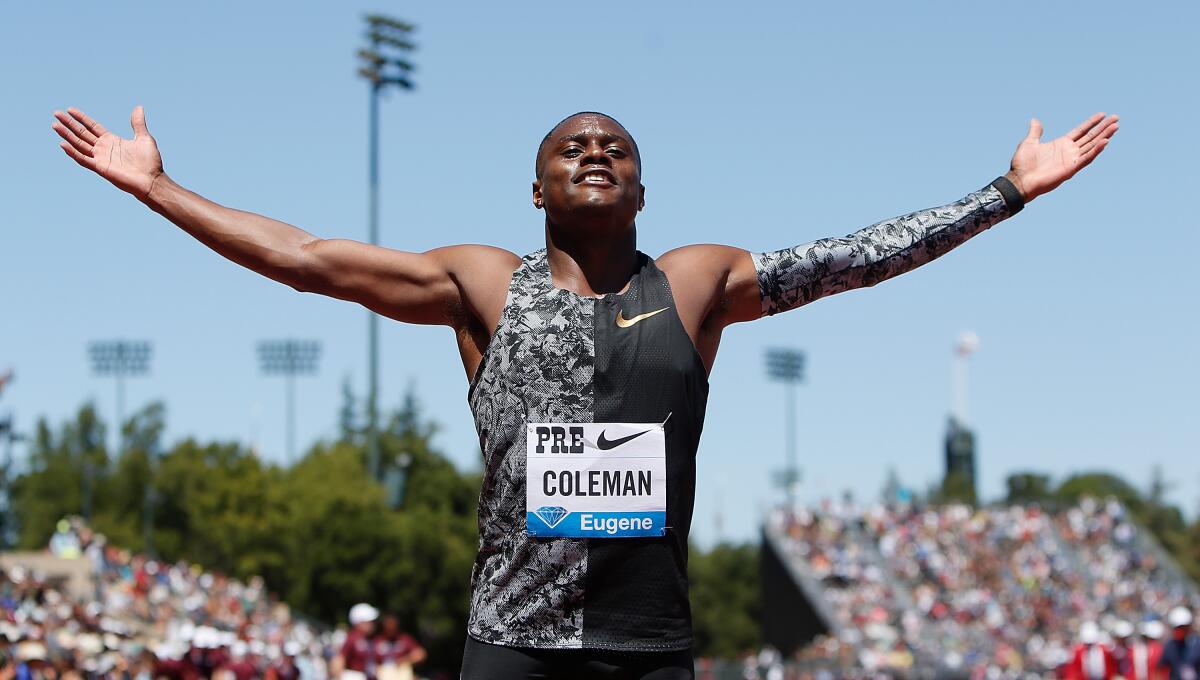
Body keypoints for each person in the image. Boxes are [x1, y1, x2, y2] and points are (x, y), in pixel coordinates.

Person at [52, 103, 1118, 680]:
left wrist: (1003, 194)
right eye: (572, 146)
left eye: (616, 147)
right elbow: (307, 255)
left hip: (649, 647)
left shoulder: (698, 282)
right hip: (511, 643)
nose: (595, 151)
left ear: (643, 189)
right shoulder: (478, 281)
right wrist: (157, 189)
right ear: (537, 189)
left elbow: (853, 258)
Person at [333, 603, 379, 680]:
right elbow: (340, 659)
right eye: (369, 621)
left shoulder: (370, 640)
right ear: (359, 622)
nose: (372, 624)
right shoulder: (352, 638)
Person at [1159, 608, 1200, 680]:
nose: (1180, 630)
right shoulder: (1170, 647)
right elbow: (1161, 667)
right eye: (1177, 627)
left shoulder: (1197, 645)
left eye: (1183, 627)